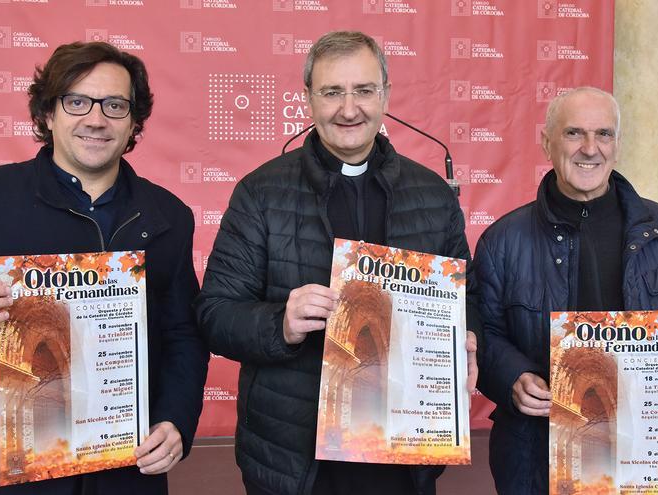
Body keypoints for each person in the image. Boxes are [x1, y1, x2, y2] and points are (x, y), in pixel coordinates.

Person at [0, 41, 208, 495]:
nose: (96, 119)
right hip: (9, 464)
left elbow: (183, 334)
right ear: (47, 113)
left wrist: (176, 420)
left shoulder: (167, 214)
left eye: (115, 105)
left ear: (134, 121)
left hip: (126, 464)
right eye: (77, 101)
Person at [195, 31, 479, 495]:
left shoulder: (432, 194)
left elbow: (470, 299)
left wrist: (468, 340)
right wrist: (280, 323)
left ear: (385, 95)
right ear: (308, 98)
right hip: (295, 462)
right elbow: (214, 313)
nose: (350, 109)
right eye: (332, 92)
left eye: (364, 91)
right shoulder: (260, 193)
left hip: (405, 456)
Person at [472, 87, 658, 494]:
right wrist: (512, 375)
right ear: (546, 141)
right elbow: (484, 331)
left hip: (650, 453)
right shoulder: (502, 240)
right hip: (537, 456)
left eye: (603, 134)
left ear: (617, 145)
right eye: (574, 134)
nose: (590, 148)